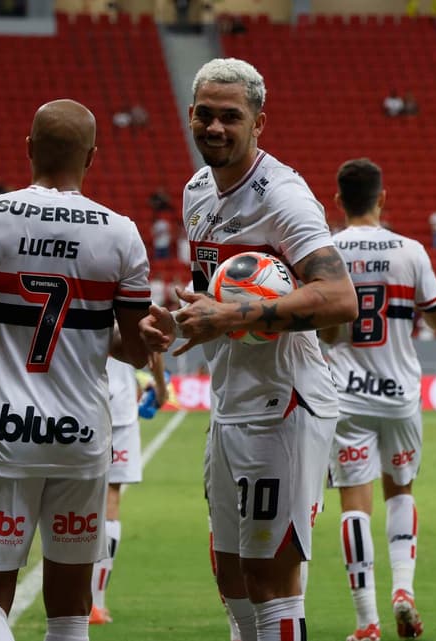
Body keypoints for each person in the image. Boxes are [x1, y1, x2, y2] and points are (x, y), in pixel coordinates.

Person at [0, 99, 152, 641]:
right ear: (92, 156)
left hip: (3, 436)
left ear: (28, 148)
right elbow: (137, 352)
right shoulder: (122, 234)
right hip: (83, 439)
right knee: (69, 612)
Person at [140, 58, 358, 641]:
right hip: (231, 400)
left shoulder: (282, 198)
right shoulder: (196, 191)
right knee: (231, 573)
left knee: (270, 582)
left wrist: (233, 315)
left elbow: (340, 298)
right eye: (205, 115)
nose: (215, 127)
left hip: (283, 404)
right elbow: (219, 294)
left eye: (231, 117)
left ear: (259, 122)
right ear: (189, 115)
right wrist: (185, 321)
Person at [319, 158, 436, 641]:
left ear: (338, 201)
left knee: (355, 503)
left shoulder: (327, 252)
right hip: (399, 395)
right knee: (400, 489)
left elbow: (327, 331)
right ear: (382, 198)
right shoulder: (411, 251)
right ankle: (404, 591)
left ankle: (366, 621)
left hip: (347, 397)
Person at [89, 353, 167, 625]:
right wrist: (159, 386)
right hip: (118, 411)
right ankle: (95, 603)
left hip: (80, 404)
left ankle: (82, 601)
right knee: (110, 500)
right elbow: (152, 355)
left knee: (75, 499)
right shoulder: (138, 311)